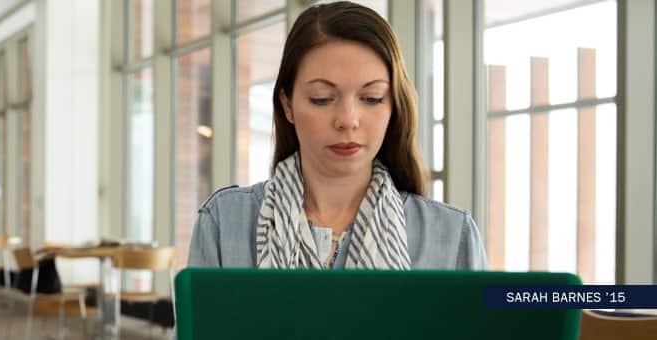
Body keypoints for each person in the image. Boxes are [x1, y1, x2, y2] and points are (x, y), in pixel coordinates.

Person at [188, 1, 486, 270]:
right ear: (287, 105)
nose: (348, 120)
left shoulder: (452, 235)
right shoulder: (225, 223)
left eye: (371, 98)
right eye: (321, 98)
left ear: (394, 106)